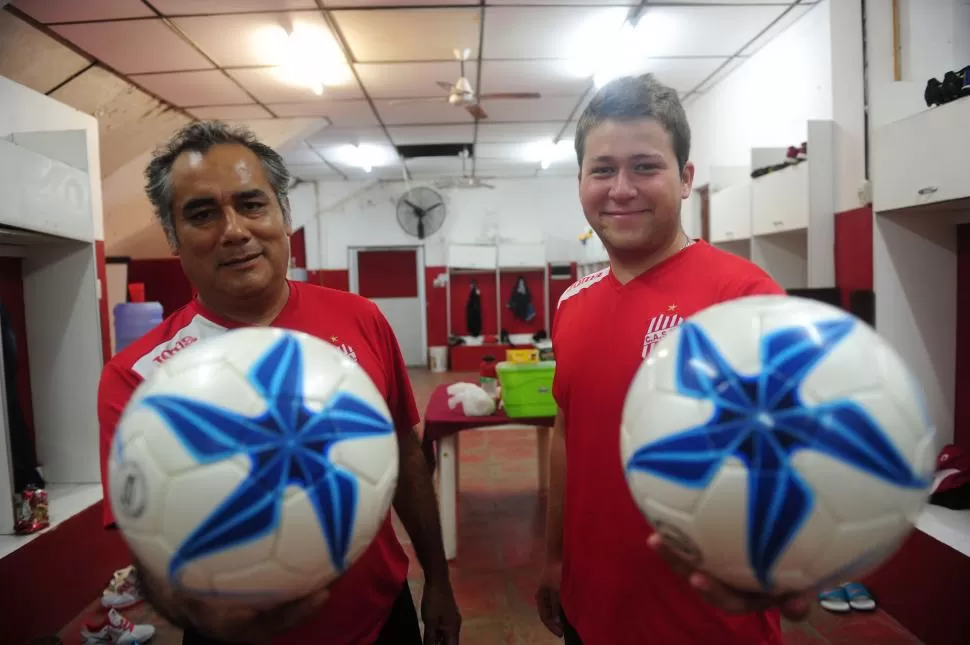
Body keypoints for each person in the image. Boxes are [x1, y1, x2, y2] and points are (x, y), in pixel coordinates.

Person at [97, 121, 461, 645]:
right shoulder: (138, 377)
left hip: (383, 617)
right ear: (174, 239)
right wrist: (194, 610)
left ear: (283, 216)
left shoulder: (360, 317)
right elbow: (145, 545)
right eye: (202, 214)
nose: (234, 230)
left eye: (251, 204)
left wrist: (440, 581)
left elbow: (403, 456)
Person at [534, 74, 811, 645]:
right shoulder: (571, 304)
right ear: (581, 180)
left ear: (685, 179)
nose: (622, 188)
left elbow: (799, 461)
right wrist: (556, 558)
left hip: (707, 624)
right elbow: (568, 433)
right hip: (591, 608)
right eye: (603, 169)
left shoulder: (744, 300)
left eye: (645, 166)